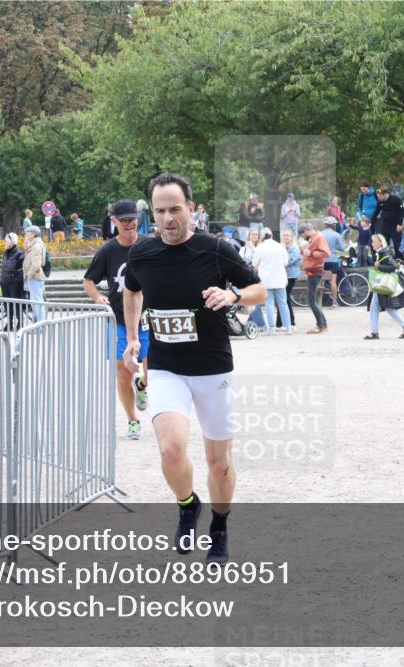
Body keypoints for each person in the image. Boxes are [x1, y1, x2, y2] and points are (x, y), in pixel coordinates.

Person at [121, 172, 266, 566]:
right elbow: (131, 291)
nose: (168, 218)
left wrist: (232, 293)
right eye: (160, 211)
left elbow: (260, 290)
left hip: (212, 368)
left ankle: (219, 527)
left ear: (191, 209)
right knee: (170, 450)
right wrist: (134, 337)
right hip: (167, 367)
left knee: (219, 463)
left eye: (175, 210)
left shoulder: (215, 250)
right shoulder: (141, 254)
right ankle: (188, 505)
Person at [83, 199, 151, 440]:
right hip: (119, 320)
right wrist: (97, 297)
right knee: (122, 371)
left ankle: (143, 387)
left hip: (149, 318)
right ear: (114, 222)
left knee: (153, 370)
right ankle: (133, 420)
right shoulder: (108, 251)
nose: (129, 224)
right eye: (124, 221)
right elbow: (88, 281)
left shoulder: (150, 244)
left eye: (133, 219)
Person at [364, 234, 404, 339]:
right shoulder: (381, 252)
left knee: (389, 308)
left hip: (383, 284)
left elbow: (392, 267)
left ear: (380, 242)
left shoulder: (384, 252)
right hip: (381, 284)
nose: (372, 244)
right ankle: (375, 332)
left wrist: (379, 266)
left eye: (373, 242)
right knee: (375, 307)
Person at [251, 228, 292, 335]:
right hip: (280, 279)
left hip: (266, 280)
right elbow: (286, 262)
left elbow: (254, 264)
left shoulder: (260, 248)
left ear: (262, 237)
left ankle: (272, 329)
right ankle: (288, 328)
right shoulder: (280, 246)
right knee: (283, 303)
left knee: (269, 304)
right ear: (272, 235)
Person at [300, 222, 329, 334]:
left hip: (315, 272)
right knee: (313, 300)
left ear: (306, 232)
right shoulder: (314, 238)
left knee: (311, 301)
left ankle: (321, 325)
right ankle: (323, 324)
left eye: (302, 235)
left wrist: (311, 253)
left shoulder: (319, 238)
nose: (303, 237)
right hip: (312, 271)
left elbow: (326, 253)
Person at [0, 233, 26, 331]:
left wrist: (14, 280)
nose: (4, 242)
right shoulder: (6, 252)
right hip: (5, 282)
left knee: (17, 304)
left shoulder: (19, 253)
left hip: (14, 284)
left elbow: (21, 270)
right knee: (7, 305)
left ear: (12, 242)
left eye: (6, 240)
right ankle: (9, 324)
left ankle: (20, 323)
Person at [22, 226, 48, 323]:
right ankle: (38, 324)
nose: (26, 234)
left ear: (33, 233)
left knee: (37, 303)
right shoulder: (34, 245)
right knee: (36, 302)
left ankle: (40, 325)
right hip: (34, 277)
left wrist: (28, 275)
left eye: (27, 232)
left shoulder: (37, 246)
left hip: (35, 278)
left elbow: (36, 265)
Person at [370, 187, 404, 253]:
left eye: (380, 196)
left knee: (397, 244)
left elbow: (402, 212)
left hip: (395, 226)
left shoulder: (395, 199)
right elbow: (376, 212)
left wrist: (400, 224)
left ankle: (399, 259)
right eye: (377, 196)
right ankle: (385, 258)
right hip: (385, 225)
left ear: (385, 194)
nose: (378, 198)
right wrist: (371, 222)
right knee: (383, 243)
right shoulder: (380, 202)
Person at [320, 218, 345, 308]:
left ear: (325, 225)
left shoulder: (320, 234)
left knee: (321, 282)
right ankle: (334, 302)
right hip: (333, 260)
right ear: (334, 225)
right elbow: (342, 248)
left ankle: (320, 301)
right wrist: (335, 248)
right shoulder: (336, 235)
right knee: (333, 282)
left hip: (322, 260)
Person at [280, 229, 301, 329]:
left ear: (292, 237)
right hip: (282, 275)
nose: (285, 237)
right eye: (284, 235)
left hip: (290, 276)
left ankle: (291, 322)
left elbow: (288, 261)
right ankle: (280, 323)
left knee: (284, 298)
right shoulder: (282, 247)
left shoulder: (294, 248)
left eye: (287, 236)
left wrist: (283, 249)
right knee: (282, 298)